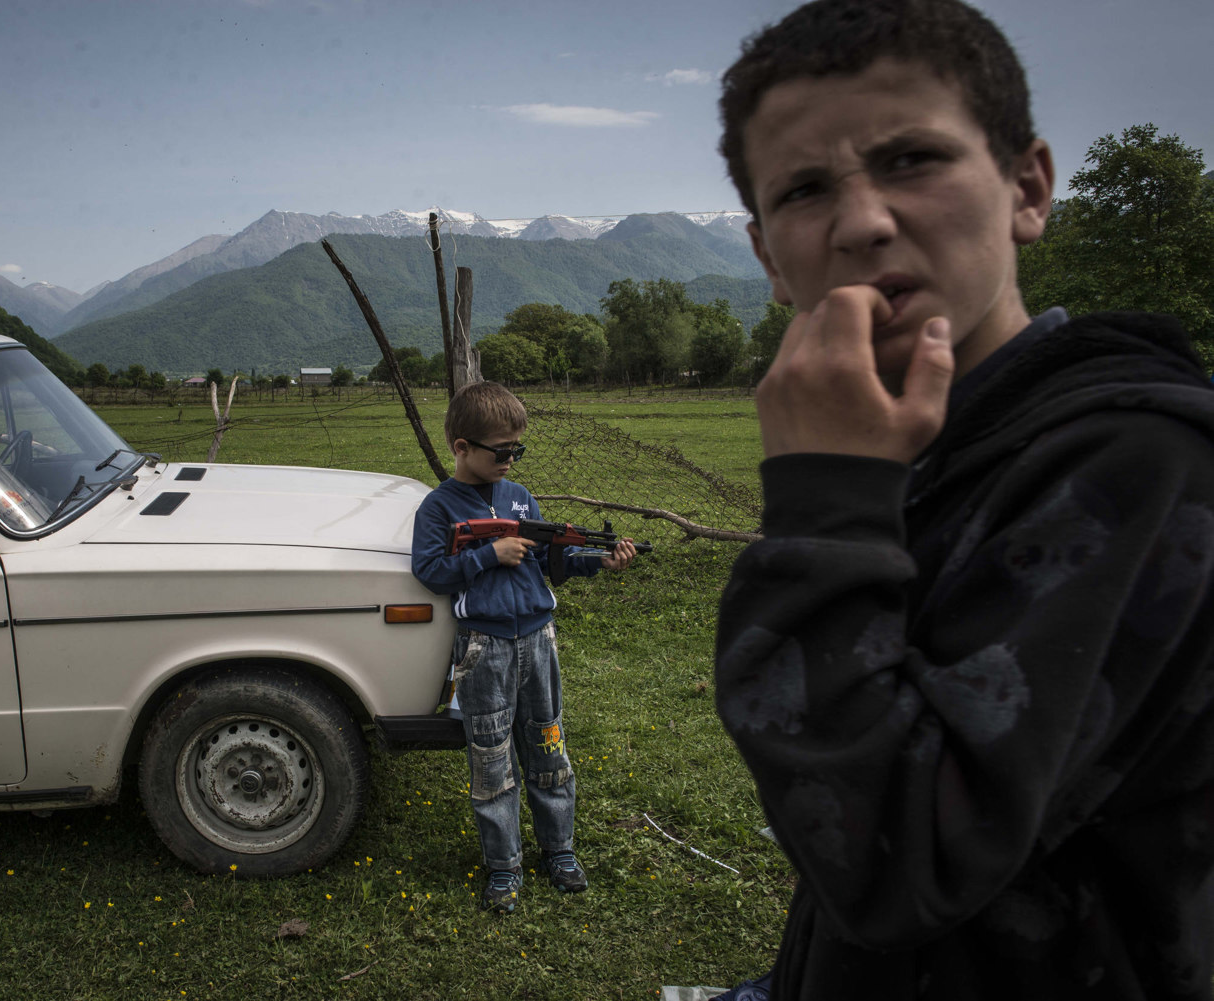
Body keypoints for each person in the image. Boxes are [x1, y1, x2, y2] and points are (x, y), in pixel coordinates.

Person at [711, 0, 1214, 997]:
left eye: (912, 161)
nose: (862, 222)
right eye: (806, 189)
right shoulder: (947, 451)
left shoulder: (1144, 465)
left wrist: (824, 499)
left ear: (1028, 188)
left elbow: (896, 861)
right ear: (770, 256)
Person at [411, 381, 637, 914]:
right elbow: (430, 572)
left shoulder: (520, 497)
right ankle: (504, 866)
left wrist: (595, 561)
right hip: (483, 647)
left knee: (548, 744)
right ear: (461, 447)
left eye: (518, 449)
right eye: (502, 450)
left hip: (538, 640)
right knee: (491, 760)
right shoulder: (438, 508)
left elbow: (545, 561)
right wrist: (489, 555)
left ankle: (559, 850)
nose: (511, 459)